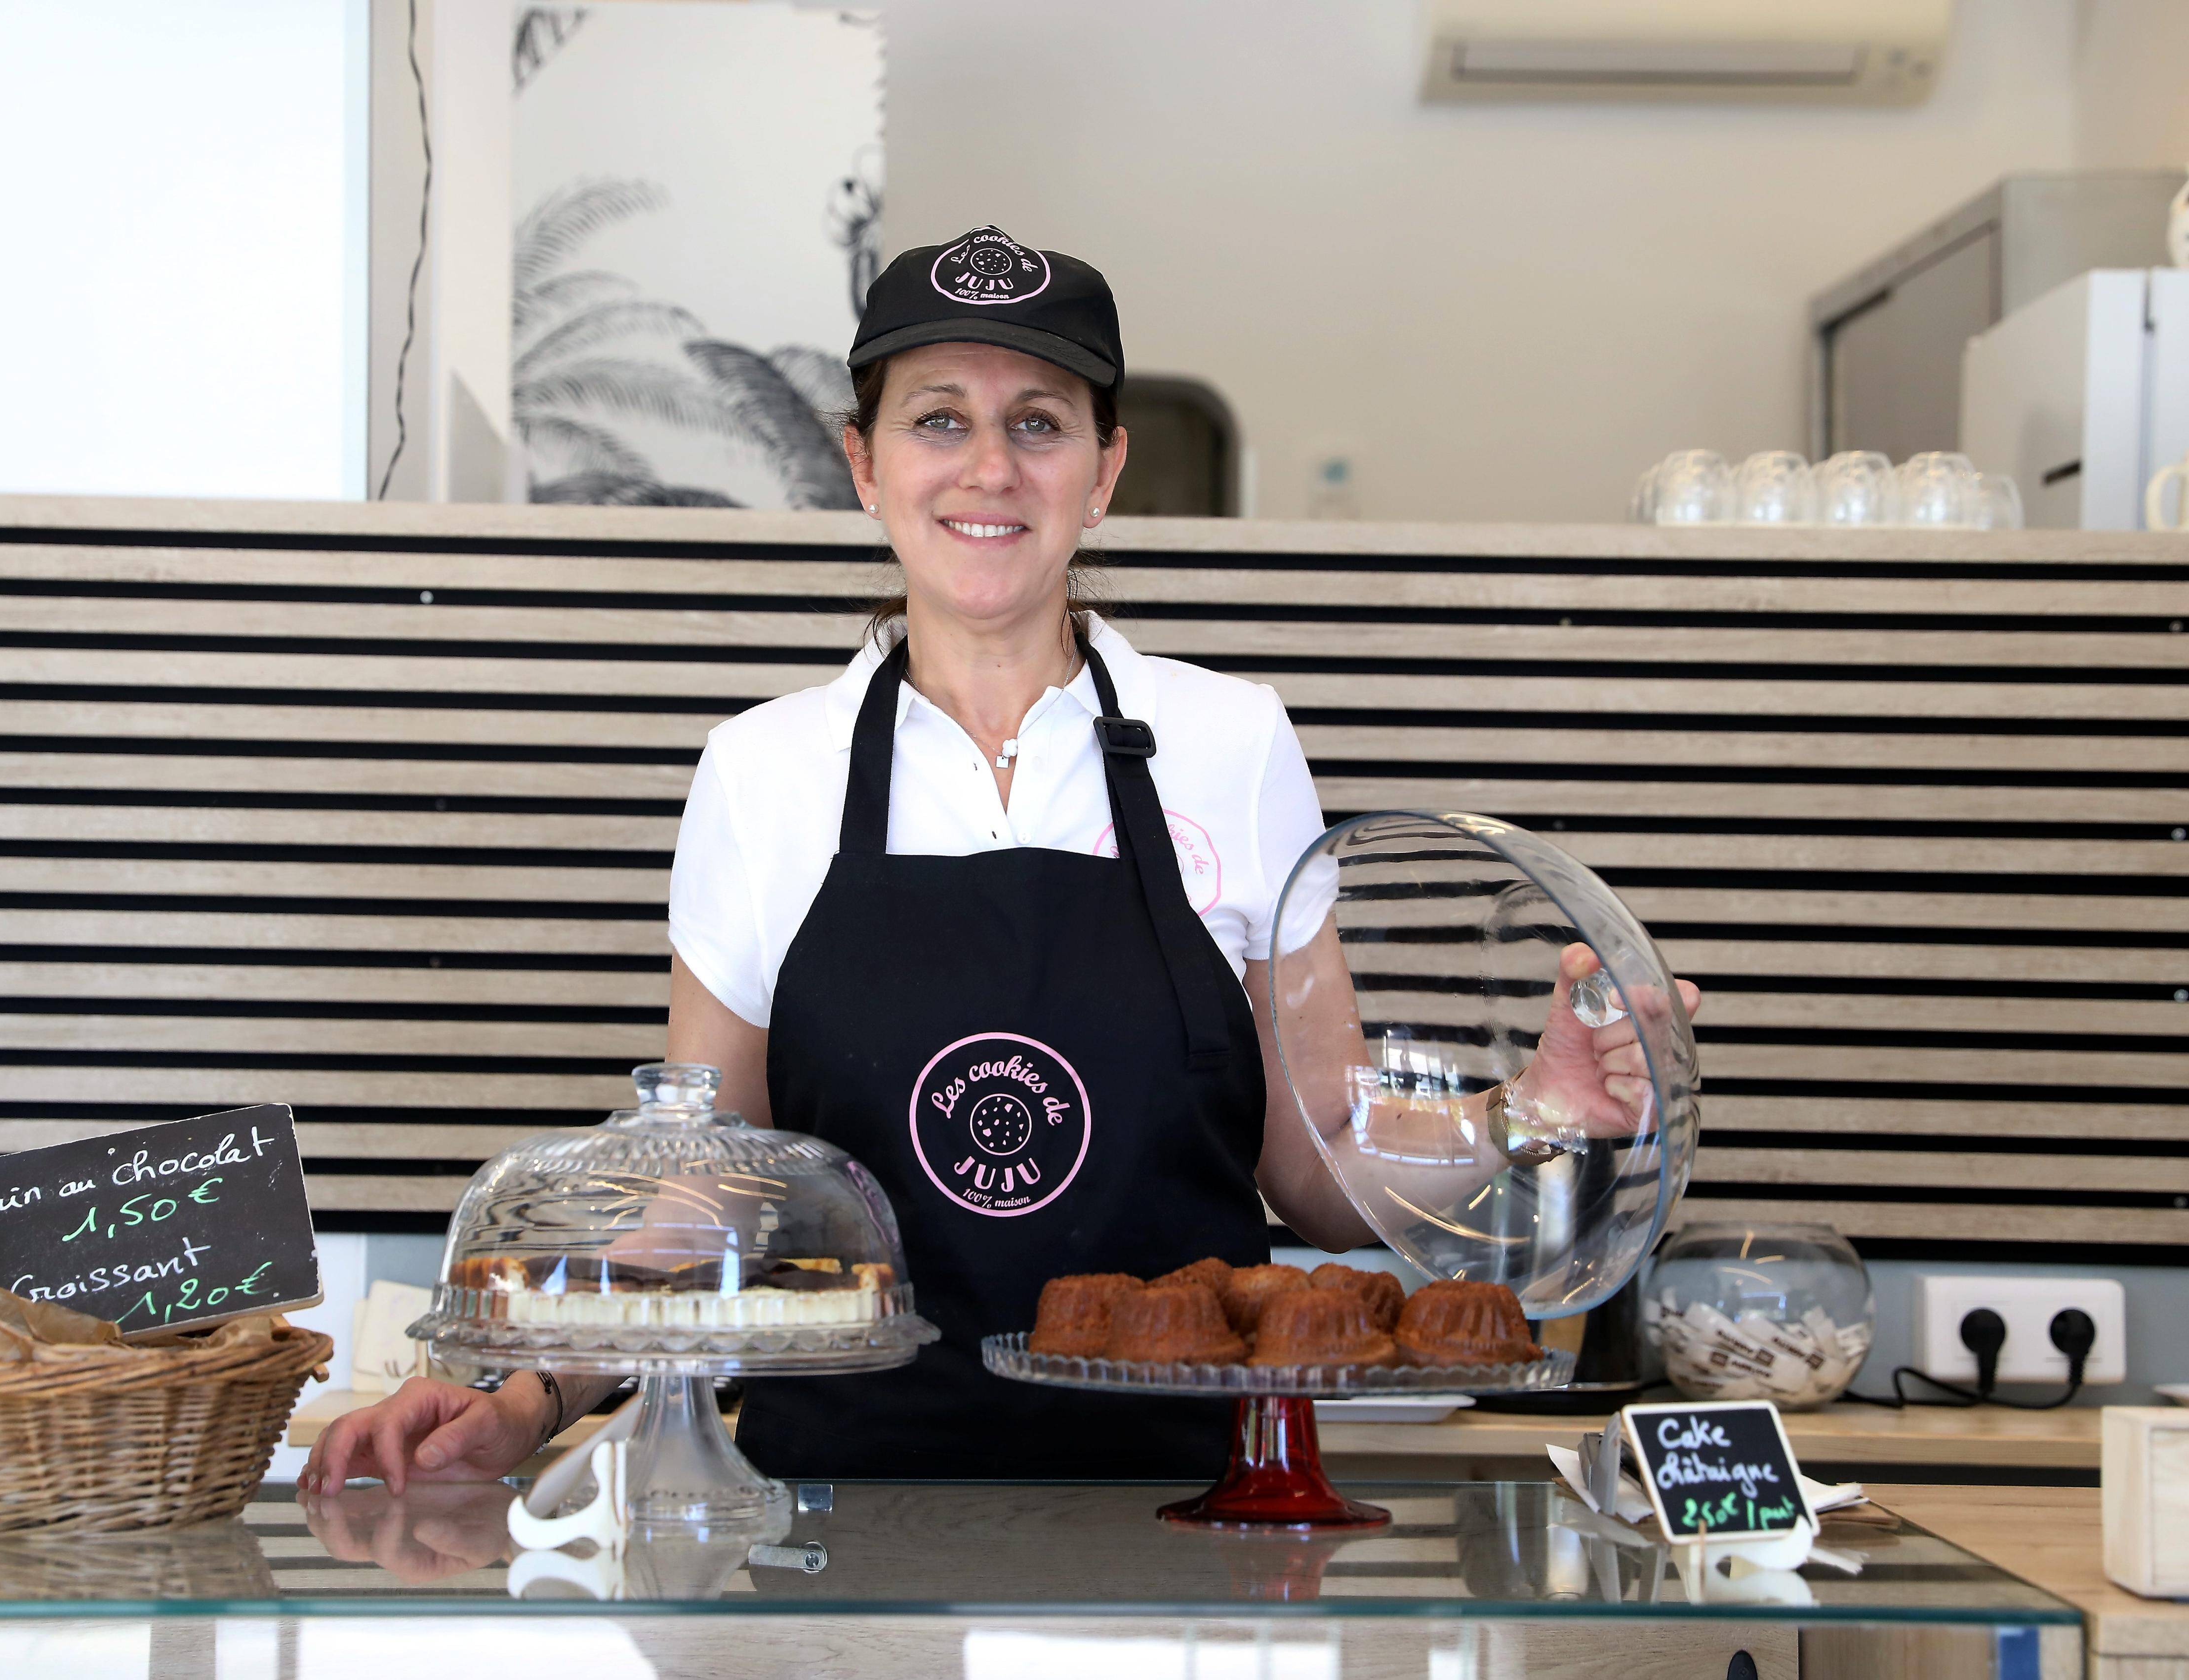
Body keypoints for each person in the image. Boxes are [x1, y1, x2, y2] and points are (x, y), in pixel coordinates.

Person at [300, 226, 1696, 1494]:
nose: (990, 468)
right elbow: (705, 1199)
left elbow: (1324, 1161)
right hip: (833, 1511)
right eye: (939, 421)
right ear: (864, 464)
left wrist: (1533, 1110)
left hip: (1194, 1516)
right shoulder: (764, 770)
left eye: (1039, 423)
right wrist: (523, 1392)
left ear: (1106, 468)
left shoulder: (1231, 739)